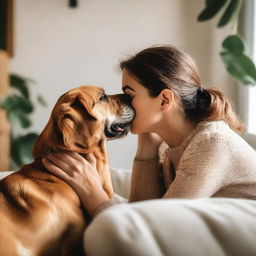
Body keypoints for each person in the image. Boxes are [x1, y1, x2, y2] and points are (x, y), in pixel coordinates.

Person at [42, 45, 256, 255]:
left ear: (164, 100)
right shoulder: (168, 144)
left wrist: (92, 192)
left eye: (129, 95)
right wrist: (147, 147)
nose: (124, 103)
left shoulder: (210, 143)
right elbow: (142, 211)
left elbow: (152, 228)